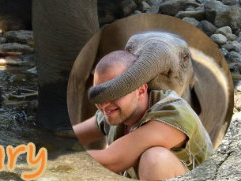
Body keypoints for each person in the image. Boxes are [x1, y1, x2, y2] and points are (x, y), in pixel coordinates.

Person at [72, 49, 213, 179]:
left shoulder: (174, 114)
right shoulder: (115, 110)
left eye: (114, 93)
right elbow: (74, 136)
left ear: (140, 90)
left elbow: (112, 160)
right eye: (100, 95)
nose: (103, 105)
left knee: (155, 160)